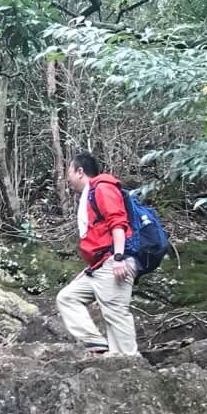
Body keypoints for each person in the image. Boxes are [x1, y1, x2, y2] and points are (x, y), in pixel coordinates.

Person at [55, 152, 139, 358]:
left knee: (116, 315)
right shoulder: (90, 194)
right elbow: (98, 237)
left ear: (80, 172)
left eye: (69, 172)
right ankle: (98, 344)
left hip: (114, 261)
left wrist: (119, 258)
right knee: (67, 297)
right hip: (100, 266)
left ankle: (131, 363)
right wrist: (89, 269)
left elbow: (118, 223)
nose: (68, 178)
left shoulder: (103, 188)